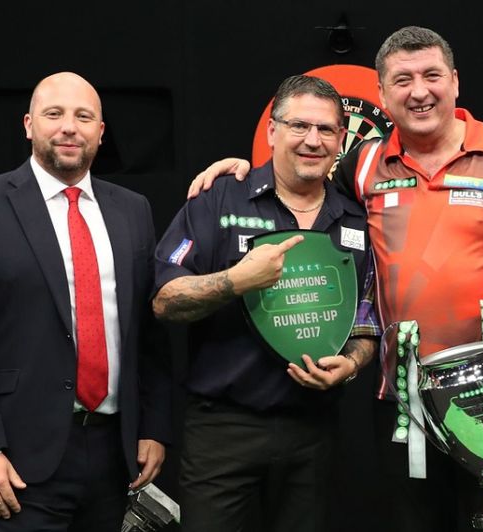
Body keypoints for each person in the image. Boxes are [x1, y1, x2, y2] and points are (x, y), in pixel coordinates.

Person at [189, 26, 483, 532]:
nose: (419, 91)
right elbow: (299, 192)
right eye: (402, 80)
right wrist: (242, 172)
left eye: (431, 75)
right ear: (382, 94)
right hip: (404, 403)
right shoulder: (361, 164)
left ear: (455, 82)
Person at [0, 72, 172, 531]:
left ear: (101, 133)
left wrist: (154, 428)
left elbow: (151, 332)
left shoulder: (133, 209)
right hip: (17, 458)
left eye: (84, 117)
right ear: (28, 125)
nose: (69, 127)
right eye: (54, 114)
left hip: (115, 454)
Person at [151, 74, 378, 532]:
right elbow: (164, 301)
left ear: (341, 139)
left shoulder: (354, 218)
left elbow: (366, 319)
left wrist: (351, 365)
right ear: (272, 131)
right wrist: (236, 280)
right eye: (298, 126)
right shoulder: (218, 198)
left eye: (326, 130)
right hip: (223, 432)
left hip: (313, 433)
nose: (312, 140)